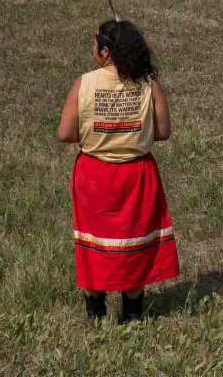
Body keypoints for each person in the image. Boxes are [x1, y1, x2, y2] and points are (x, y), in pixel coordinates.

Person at [57, 18, 179, 323]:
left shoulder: (83, 83)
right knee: (134, 242)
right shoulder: (148, 84)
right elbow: (163, 131)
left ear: (105, 51)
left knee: (94, 244)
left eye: (94, 45)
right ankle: (134, 315)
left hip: (94, 177)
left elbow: (65, 133)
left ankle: (94, 313)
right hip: (137, 175)